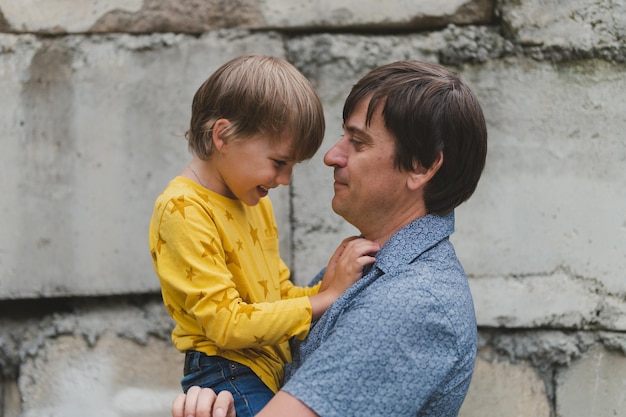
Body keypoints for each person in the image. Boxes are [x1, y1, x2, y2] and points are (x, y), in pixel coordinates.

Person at [171, 59, 488, 417]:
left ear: (422, 167)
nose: (331, 156)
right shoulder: (371, 268)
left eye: (358, 141)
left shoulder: (410, 305)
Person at [149, 54, 380, 417]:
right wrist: (326, 298)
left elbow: (275, 295)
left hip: (267, 369)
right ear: (222, 135)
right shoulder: (183, 209)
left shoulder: (254, 200)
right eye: (279, 163)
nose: (284, 180)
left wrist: (329, 287)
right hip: (224, 375)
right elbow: (226, 325)